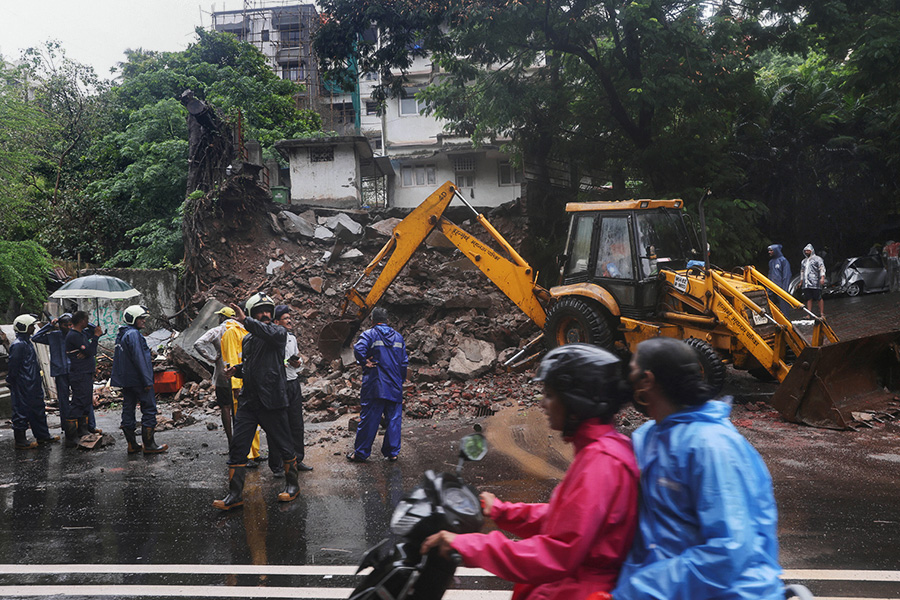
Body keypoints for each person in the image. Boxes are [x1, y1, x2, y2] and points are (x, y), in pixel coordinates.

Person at [420, 344, 639, 599]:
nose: (543, 404)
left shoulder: (601, 463)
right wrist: (504, 512)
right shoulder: (602, 450)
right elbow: (567, 518)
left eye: (550, 395)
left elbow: (556, 553)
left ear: (576, 402)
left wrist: (469, 545)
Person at [611, 337, 782, 600]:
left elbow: (729, 551)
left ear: (647, 380)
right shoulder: (648, 437)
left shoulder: (712, 447)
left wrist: (636, 590)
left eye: (632, 372)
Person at [213, 293, 300, 511]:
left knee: (284, 445)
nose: (265, 315)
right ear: (253, 313)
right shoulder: (248, 339)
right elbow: (251, 366)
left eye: (268, 311)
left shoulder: (279, 333)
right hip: (249, 401)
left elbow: (268, 331)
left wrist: (245, 321)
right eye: (260, 311)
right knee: (238, 446)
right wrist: (237, 371)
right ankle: (235, 494)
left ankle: (293, 485)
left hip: (272, 400)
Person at [347, 307, 408, 463]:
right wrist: (399, 381)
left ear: (372, 320)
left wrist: (364, 362)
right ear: (387, 321)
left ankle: (360, 453)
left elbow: (358, 348)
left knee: (369, 420)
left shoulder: (370, 334)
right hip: (394, 385)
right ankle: (392, 452)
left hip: (376, 385)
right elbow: (403, 363)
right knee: (394, 420)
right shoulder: (399, 338)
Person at [111, 305, 168, 455]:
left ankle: (132, 445)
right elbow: (139, 358)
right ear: (133, 319)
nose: (144, 321)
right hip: (138, 380)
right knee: (149, 409)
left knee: (128, 409)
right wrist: (147, 380)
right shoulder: (134, 335)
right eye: (141, 318)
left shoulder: (121, 334)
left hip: (127, 381)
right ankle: (149, 445)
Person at [267, 305, 313, 476]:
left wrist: (297, 363)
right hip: (278, 385)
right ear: (276, 321)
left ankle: (297, 459)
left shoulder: (292, 338)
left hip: (293, 383)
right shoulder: (271, 339)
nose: (289, 321)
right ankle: (277, 465)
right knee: (278, 425)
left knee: (296, 423)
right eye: (286, 319)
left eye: (289, 318)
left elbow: (298, 358)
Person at [219, 306, 263, 466]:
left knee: (254, 420)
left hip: (250, 382)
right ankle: (247, 455)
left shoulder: (247, 332)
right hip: (240, 384)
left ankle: (255, 452)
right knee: (242, 422)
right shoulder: (232, 332)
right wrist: (235, 385)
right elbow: (231, 359)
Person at [8, 314, 59, 449]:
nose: (33, 328)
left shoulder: (27, 342)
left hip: (33, 383)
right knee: (21, 411)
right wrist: (13, 382)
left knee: (38, 409)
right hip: (23, 385)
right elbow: (13, 367)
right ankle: (20, 441)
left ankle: (43, 436)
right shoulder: (18, 345)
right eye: (31, 326)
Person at [193, 306, 239, 445]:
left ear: (223, 317)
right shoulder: (240, 330)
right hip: (239, 375)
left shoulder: (217, 330)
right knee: (240, 408)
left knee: (225, 407)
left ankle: (232, 442)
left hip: (222, 375)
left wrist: (212, 358)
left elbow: (198, 343)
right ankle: (243, 442)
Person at [32, 313, 74, 439]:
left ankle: (82, 425)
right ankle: (66, 426)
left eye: (70, 324)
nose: (68, 327)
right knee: (63, 401)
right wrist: (49, 326)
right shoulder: (53, 336)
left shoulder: (76, 335)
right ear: (60, 325)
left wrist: (77, 319)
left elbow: (93, 330)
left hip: (74, 370)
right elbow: (36, 337)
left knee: (80, 399)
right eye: (65, 325)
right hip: (60, 372)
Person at [64, 311, 101, 440]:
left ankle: (83, 430)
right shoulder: (74, 335)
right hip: (79, 373)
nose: (87, 322)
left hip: (86, 372)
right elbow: (91, 350)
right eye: (86, 319)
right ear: (81, 321)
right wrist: (95, 337)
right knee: (78, 402)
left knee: (85, 402)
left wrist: (94, 330)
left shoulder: (82, 333)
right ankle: (71, 435)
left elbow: (89, 351)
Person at [799, 244, 826, 317]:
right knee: (808, 298)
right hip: (806, 283)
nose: (806, 252)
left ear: (812, 251)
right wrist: (801, 281)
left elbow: (821, 268)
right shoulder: (804, 261)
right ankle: (809, 314)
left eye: (808, 250)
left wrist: (822, 277)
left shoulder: (817, 259)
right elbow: (802, 271)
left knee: (818, 298)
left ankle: (821, 313)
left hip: (815, 282)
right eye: (805, 251)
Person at [766, 244, 792, 314]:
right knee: (772, 306)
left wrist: (784, 288)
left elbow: (787, 275)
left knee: (783, 305)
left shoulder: (783, 261)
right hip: (772, 287)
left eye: (771, 250)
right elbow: (770, 274)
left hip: (781, 288)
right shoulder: (771, 262)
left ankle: (786, 320)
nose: (769, 252)